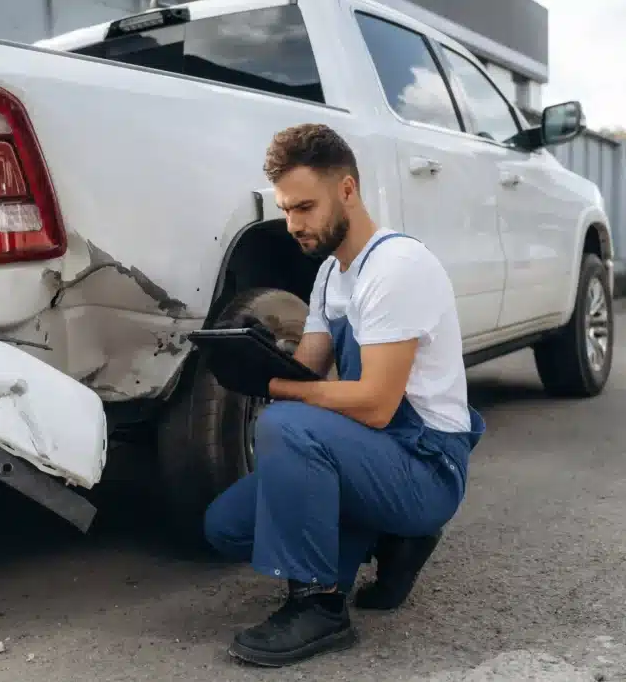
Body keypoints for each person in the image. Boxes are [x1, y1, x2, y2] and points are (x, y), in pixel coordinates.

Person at [202, 123, 486, 668]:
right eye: (286, 210)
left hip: (424, 462)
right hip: (373, 451)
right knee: (227, 527)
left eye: (305, 207)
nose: (293, 225)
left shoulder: (396, 267)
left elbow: (377, 403)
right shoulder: (332, 273)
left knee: (287, 424)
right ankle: (393, 539)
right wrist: (246, 359)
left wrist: (275, 389)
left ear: (348, 190)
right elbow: (309, 369)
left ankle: (320, 605)